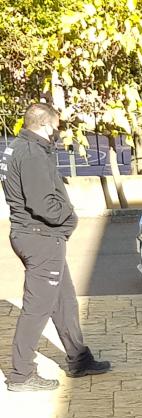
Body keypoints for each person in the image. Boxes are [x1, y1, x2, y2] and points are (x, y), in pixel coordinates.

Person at [2, 101, 110, 391]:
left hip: (38, 236)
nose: (58, 133)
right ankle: (21, 374)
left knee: (64, 301)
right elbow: (43, 204)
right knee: (37, 308)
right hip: (40, 238)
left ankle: (78, 358)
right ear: (45, 124)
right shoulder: (33, 154)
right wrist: (69, 217)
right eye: (57, 127)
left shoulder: (18, 146)